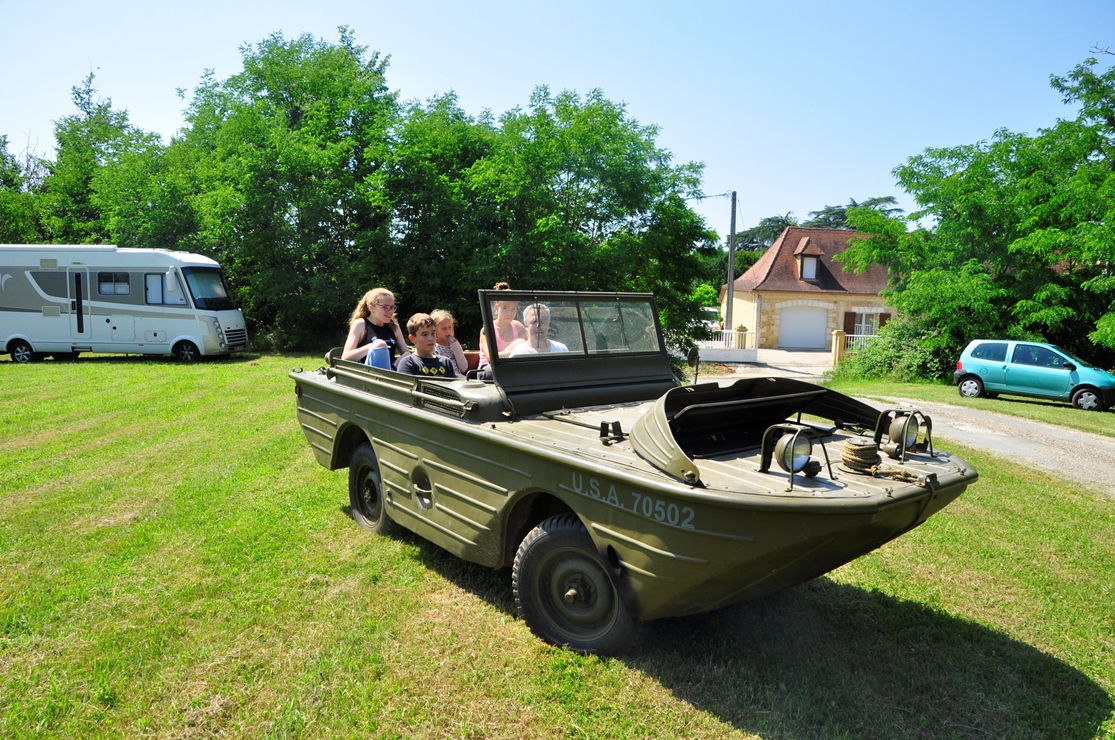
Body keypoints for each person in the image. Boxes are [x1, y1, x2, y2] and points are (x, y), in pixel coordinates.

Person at [341, 288, 411, 366]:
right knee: (379, 344)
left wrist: (397, 363)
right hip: (368, 372)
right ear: (371, 308)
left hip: (391, 371)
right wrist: (373, 347)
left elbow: (406, 354)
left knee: (408, 355)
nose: (391, 311)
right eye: (385, 307)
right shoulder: (361, 324)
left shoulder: (394, 327)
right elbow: (346, 357)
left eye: (392, 307)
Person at [476, 282, 526, 379]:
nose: (510, 313)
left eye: (513, 309)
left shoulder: (519, 327)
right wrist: (516, 353)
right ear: (496, 308)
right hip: (488, 370)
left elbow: (529, 349)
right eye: (505, 308)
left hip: (512, 368)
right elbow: (491, 358)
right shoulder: (487, 329)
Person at [395, 313, 457, 378]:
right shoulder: (408, 363)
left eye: (433, 333)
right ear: (412, 338)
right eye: (425, 334)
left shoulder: (446, 362)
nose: (431, 338)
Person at [430, 308, 467, 376]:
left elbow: (464, 368)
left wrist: (456, 347)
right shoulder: (433, 346)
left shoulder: (454, 345)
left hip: (459, 377)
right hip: (444, 378)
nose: (448, 331)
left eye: (450, 327)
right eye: (443, 328)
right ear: (434, 329)